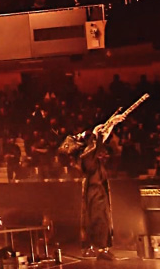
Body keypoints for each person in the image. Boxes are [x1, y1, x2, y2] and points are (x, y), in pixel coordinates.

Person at [58, 109, 126, 261]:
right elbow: (95, 142)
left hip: (98, 188)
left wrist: (112, 124)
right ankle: (100, 248)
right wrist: (98, 131)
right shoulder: (84, 156)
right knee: (98, 218)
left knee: (103, 217)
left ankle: (103, 247)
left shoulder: (88, 152)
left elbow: (99, 141)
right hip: (94, 190)